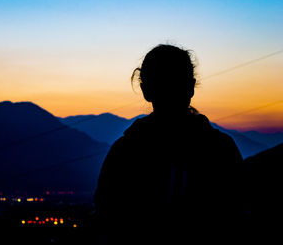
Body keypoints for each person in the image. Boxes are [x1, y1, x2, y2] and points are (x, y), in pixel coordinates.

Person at [93, 44, 244, 242]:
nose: (169, 90)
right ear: (191, 87)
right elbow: (236, 214)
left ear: (145, 89)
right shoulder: (220, 149)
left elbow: (108, 217)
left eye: (173, 82)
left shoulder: (126, 152)